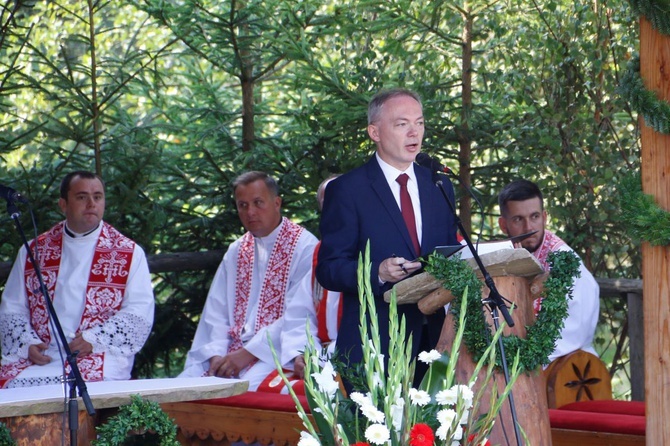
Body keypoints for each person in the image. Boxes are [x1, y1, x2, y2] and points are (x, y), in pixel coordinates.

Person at [316, 89, 459, 389]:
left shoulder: (438, 184)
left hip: (436, 341)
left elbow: (450, 251)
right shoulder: (347, 190)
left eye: (419, 123)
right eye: (401, 124)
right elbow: (329, 268)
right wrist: (376, 272)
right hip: (375, 343)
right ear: (374, 132)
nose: (414, 132)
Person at [0, 171, 155, 388]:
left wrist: (94, 339)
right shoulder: (34, 250)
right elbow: (13, 306)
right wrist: (27, 344)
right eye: (82, 197)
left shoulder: (128, 252)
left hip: (96, 354)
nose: (91, 203)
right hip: (41, 356)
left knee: (83, 389)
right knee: (11, 386)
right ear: (63, 204)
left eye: (98, 197)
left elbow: (139, 310)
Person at [180, 171, 319, 392]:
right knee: (183, 386)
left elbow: (299, 314)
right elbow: (216, 311)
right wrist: (216, 354)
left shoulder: (305, 246)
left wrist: (247, 354)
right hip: (229, 352)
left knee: (244, 389)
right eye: (242, 205)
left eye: (258, 203)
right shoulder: (237, 250)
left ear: (277, 203)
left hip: (274, 353)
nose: (250, 212)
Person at [497, 179, 600, 362]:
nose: (529, 227)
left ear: (544, 217)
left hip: (563, 370)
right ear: (503, 225)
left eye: (535, 217)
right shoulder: (502, 257)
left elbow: (572, 335)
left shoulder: (565, 262)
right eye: (518, 219)